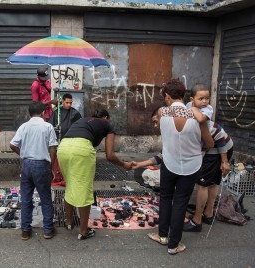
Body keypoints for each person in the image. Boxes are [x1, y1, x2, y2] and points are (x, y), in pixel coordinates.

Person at [146, 79, 213, 255]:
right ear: (184, 95)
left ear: (167, 96)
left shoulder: (162, 112)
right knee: (181, 202)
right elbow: (209, 142)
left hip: (169, 163)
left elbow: (167, 132)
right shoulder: (198, 117)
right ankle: (173, 245)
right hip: (192, 165)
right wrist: (198, 147)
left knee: (166, 198)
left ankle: (162, 236)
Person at [57, 109, 133, 240]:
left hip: (63, 148)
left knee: (70, 185)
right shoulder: (106, 124)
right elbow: (110, 155)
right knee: (84, 190)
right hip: (81, 150)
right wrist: (124, 165)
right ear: (106, 117)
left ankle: (68, 222)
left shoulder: (83, 120)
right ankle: (83, 231)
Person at [183, 84, 233, 232]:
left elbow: (219, 137)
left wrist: (224, 161)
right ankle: (209, 214)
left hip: (220, 147)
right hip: (216, 146)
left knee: (203, 183)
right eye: (201, 98)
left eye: (207, 98)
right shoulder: (188, 106)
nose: (205, 101)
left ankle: (197, 221)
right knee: (212, 182)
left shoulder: (205, 112)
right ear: (192, 99)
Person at [10, 101, 58, 240]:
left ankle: (25, 230)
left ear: (29, 113)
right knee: (45, 198)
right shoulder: (47, 126)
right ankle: (48, 230)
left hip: (27, 164)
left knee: (26, 198)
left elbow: (12, 144)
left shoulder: (24, 126)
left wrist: (23, 154)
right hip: (42, 164)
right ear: (43, 112)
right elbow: (53, 148)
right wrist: (51, 168)